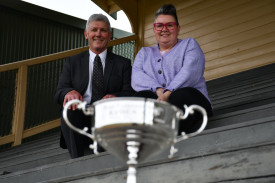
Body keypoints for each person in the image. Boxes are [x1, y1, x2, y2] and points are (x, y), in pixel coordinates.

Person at [54, 14, 134, 158]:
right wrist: (69, 91)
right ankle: (77, 160)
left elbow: (130, 93)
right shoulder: (73, 62)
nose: (98, 34)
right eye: (94, 30)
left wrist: (115, 96)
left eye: (103, 30)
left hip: (109, 118)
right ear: (86, 34)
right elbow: (59, 92)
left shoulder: (123, 63)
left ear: (110, 36)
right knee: (69, 108)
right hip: (81, 117)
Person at [131, 4, 213, 134]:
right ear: (154, 29)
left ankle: (166, 135)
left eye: (170, 25)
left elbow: (189, 72)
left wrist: (167, 94)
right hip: (160, 104)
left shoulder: (189, 44)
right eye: (159, 26)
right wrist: (159, 91)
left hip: (192, 101)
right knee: (140, 98)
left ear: (178, 28)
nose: (164, 29)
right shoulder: (144, 52)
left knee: (180, 96)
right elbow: (136, 77)